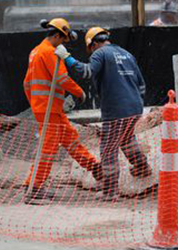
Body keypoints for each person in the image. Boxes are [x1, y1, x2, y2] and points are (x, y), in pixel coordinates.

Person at [55, 27, 151, 201]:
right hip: (135, 107)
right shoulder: (127, 54)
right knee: (127, 139)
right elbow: (141, 84)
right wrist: (134, 103)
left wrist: (66, 57)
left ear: (92, 44)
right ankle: (142, 167)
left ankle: (110, 192)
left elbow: (86, 72)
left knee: (108, 150)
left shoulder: (99, 54)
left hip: (116, 110)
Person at [22, 18, 102, 203]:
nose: (64, 43)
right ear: (57, 35)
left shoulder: (35, 51)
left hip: (48, 108)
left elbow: (26, 82)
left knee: (70, 139)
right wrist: (79, 92)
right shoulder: (49, 52)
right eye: (63, 39)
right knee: (48, 148)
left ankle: (96, 168)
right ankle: (34, 188)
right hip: (49, 109)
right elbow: (62, 79)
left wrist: (34, 104)